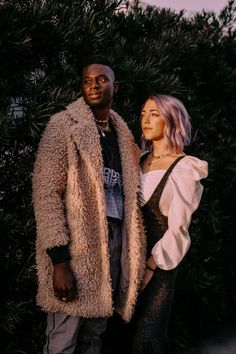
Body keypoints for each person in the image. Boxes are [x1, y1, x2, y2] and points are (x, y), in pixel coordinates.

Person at [32, 55, 146, 354]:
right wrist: (59, 261)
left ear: (115, 86)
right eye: (87, 81)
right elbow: (46, 194)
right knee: (63, 337)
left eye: (101, 79)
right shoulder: (63, 127)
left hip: (114, 241)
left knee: (94, 335)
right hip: (75, 245)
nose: (93, 85)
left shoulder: (123, 136)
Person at [132, 94, 208, 354]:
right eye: (143, 113)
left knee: (148, 335)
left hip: (159, 266)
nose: (146, 119)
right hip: (126, 261)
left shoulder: (184, 168)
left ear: (171, 119)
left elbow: (178, 230)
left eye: (154, 114)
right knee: (118, 334)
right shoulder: (138, 159)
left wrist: (150, 267)